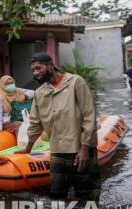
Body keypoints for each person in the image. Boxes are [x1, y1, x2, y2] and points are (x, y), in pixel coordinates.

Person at [16, 53, 98, 200]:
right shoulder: (40, 93)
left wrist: (85, 148)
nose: (36, 73)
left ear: (50, 65)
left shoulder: (76, 82)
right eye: (33, 70)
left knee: (88, 197)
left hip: (80, 148)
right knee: (57, 197)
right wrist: (28, 148)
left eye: (38, 68)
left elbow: (89, 116)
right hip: (57, 151)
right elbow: (35, 123)